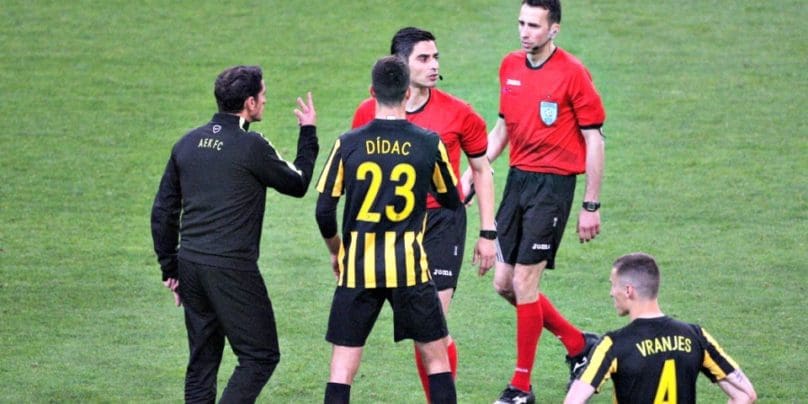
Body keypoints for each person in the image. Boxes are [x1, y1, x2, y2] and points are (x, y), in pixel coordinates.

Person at [150, 65, 319, 403]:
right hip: (232, 269)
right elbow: (298, 182)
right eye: (262, 95)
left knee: (202, 362)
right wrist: (308, 132)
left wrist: (171, 268)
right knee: (260, 356)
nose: (265, 100)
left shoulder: (186, 143)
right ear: (249, 103)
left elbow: (163, 211)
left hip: (191, 265)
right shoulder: (251, 145)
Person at [351, 27, 496, 400]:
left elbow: (482, 170)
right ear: (400, 64)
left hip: (443, 224)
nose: (434, 66)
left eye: (436, 58)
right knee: (422, 333)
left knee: (433, 327)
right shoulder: (368, 112)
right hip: (394, 230)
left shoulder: (459, 113)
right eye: (424, 58)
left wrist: (487, 232)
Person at [476, 1, 606, 402]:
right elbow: (501, 130)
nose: (524, 31)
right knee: (504, 284)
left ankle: (520, 387)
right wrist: (473, 173)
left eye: (534, 25)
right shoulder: (509, 66)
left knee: (524, 282)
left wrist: (591, 204)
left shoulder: (573, 72)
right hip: (518, 181)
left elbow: (594, 139)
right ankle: (580, 345)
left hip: (553, 187)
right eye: (521, 23)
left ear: (554, 29)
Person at [316, 56, 461, 404]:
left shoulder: (348, 143)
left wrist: (336, 250)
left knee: (341, 370)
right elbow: (451, 199)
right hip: (410, 269)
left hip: (357, 269)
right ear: (407, 92)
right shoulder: (428, 143)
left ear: (372, 92)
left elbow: (323, 210)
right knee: (436, 361)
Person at [564, 253, 758, 403]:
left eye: (613, 285)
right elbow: (746, 394)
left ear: (628, 290)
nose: (611, 293)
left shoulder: (613, 345)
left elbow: (573, 401)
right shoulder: (696, 336)